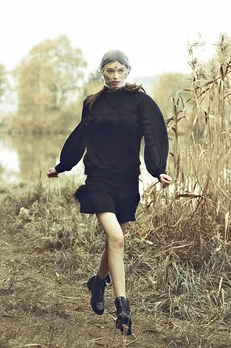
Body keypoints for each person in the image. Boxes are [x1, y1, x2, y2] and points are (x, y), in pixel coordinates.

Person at [46, 49, 172, 335]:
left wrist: (158, 169)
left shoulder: (140, 101)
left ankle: (97, 281)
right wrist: (63, 165)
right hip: (99, 177)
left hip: (127, 179)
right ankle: (122, 307)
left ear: (127, 71)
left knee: (115, 240)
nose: (114, 76)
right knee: (116, 238)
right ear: (101, 72)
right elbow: (81, 135)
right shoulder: (93, 103)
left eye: (119, 70)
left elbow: (154, 135)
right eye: (109, 70)